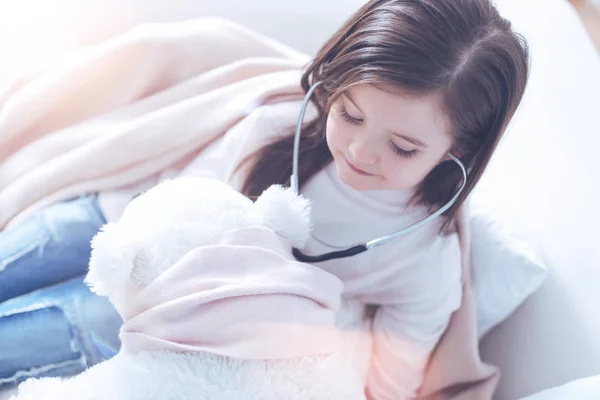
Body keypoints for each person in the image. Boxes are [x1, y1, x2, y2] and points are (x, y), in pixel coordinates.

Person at [0, 0, 530, 398]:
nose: (360, 151)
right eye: (350, 114)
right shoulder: (276, 121)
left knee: (45, 330)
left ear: (458, 149)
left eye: (402, 147)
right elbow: (187, 192)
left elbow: (385, 380)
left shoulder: (421, 264)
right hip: (110, 221)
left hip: (169, 318)